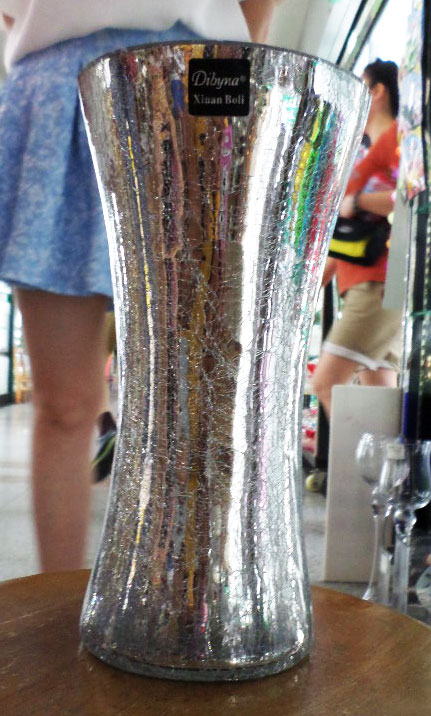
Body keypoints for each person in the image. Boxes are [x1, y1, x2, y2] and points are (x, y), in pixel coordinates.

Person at [0, 0, 282, 572]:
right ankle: (63, 603)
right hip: (60, 87)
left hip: (195, 81)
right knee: (66, 404)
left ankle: (193, 598)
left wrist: (228, 88)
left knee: (200, 402)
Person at [311, 59, 402, 420]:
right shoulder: (370, 152)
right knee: (378, 399)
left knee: (326, 383)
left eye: (360, 86)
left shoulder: (398, 140)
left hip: (378, 284)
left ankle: (364, 459)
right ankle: (384, 459)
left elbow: (413, 194)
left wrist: (359, 201)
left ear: (377, 91)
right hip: (367, 284)